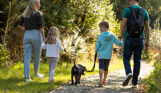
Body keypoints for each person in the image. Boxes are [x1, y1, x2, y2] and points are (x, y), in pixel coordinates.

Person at [119, 0, 150, 88]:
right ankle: (135, 83)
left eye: (129, 1)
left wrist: (120, 36)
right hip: (140, 39)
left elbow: (123, 24)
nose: (128, 2)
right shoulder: (144, 11)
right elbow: (147, 27)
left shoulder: (127, 10)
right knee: (137, 61)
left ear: (132, 1)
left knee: (126, 58)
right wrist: (147, 40)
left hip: (129, 38)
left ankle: (128, 73)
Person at [18, 0, 45, 82]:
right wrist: (44, 37)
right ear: (34, 4)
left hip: (27, 35)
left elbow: (19, 24)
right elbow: (41, 27)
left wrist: (25, 31)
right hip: (36, 35)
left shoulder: (25, 14)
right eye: (38, 3)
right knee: (37, 55)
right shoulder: (38, 14)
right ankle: (36, 74)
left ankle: (27, 78)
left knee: (26, 57)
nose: (39, 5)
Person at [95, 21, 123, 87]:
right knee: (106, 68)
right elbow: (118, 43)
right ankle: (104, 80)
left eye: (100, 27)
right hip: (108, 55)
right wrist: (121, 42)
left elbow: (97, 45)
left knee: (101, 67)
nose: (99, 29)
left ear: (103, 27)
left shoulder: (100, 36)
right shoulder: (112, 36)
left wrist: (96, 51)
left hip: (101, 55)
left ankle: (100, 81)